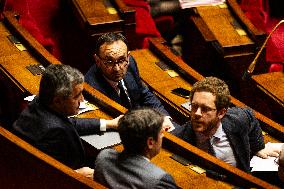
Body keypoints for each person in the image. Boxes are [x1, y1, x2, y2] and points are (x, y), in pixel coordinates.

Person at [13, 64, 121, 178]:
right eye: (76, 96)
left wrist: (108, 123)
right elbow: (49, 175)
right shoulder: (54, 131)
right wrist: (77, 174)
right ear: (58, 101)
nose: (82, 100)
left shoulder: (41, 101)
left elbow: (70, 123)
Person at [174, 76, 279, 172]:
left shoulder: (238, 119)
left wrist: (258, 147)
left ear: (221, 113)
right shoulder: (178, 138)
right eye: (194, 106)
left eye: (205, 109)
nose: (197, 113)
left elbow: (250, 118)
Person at [85, 32, 174, 131]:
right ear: (97, 60)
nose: (117, 68)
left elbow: (144, 93)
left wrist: (164, 117)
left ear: (128, 56)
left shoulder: (130, 63)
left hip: (145, 119)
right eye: (109, 62)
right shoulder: (91, 87)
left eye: (122, 60)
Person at [94, 108, 178, 189]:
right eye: (161, 133)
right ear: (150, 142)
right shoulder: (160, 180)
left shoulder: (103, 157)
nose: (163, 136)